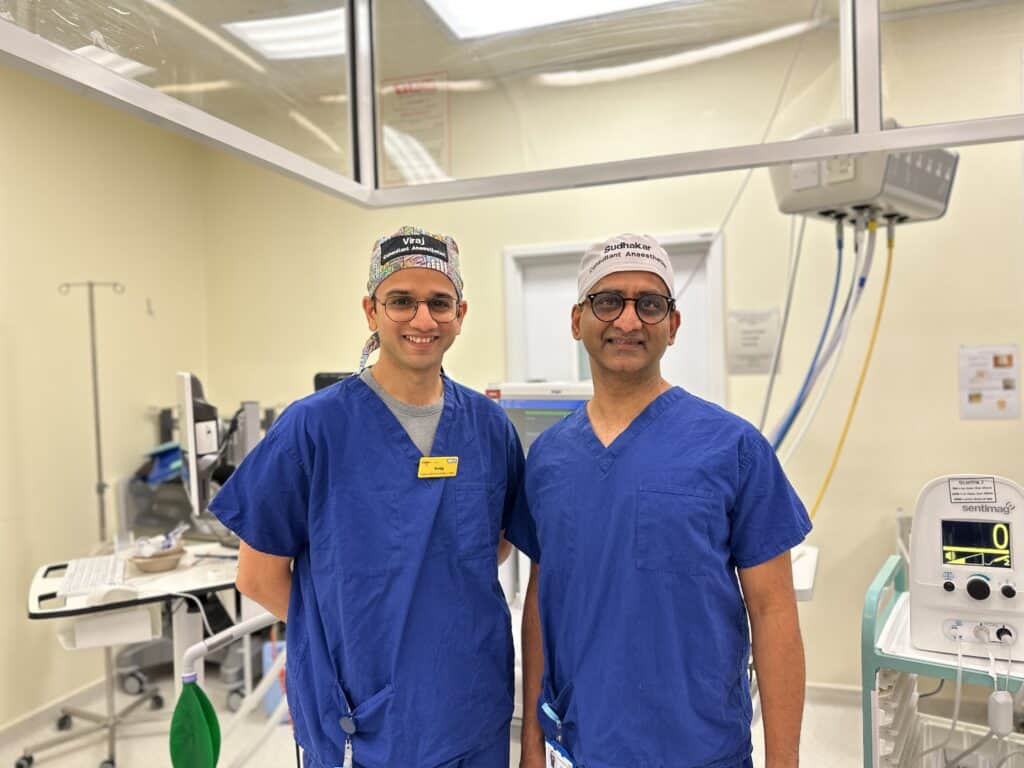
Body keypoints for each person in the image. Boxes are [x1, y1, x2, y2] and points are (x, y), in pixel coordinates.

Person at [210, 226, 528, 768]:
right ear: (371, 309)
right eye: (401, 301)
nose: (422, 320)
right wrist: (353, 628)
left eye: (438, 303)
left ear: (461, 313)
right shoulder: (313, 427)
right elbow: (256, 577)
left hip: (470, 704)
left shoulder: (488, 426)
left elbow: (491, 544)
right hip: (360, 718)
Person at [508, 234, 811, 768]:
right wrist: (532, 742)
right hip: (583, 743)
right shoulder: (550, 457)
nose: (628, 321)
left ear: (672, 325)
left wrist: (783, 763)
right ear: (578, 320)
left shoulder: (732, 447)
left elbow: (774, 611)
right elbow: (541, 599)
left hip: (702, 747)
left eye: (649, 304)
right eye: (608, 302)